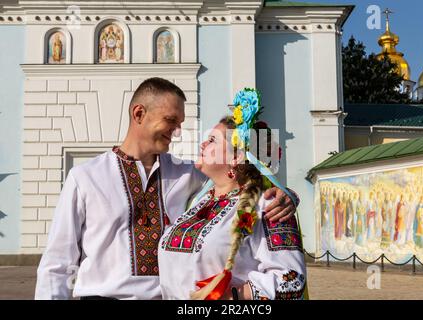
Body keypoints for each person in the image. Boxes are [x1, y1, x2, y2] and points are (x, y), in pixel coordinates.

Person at [35, 78, 296, 300]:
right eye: (171, 120)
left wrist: (287, 195)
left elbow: (242, 176)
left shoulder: (187, 174)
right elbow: (58, 263)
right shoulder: (85, 177)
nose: (178, 132)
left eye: (180, 123)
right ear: (139, 114)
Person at [158, 88, 307, 300]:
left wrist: (231, 295)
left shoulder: (267, 207)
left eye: (212, 140)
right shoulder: (195, 202)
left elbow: (292, 280)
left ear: (237, 156)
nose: (202, 144)